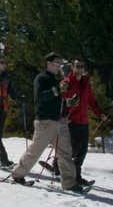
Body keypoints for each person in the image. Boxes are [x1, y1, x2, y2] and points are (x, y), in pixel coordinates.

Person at [11, 53, 83, 192]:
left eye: (60, 63)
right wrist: (57, 90)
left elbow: (56, 100)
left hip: (58, 120)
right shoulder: (41, 78)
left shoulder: (56, 80)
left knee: (65, 152)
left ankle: (69, 183)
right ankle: (18, 174)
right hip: (45, 121)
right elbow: (40, 98)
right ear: (48, 63)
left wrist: (69, 102)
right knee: (36, 150)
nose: (59, 66)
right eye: (57, 63)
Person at [57, 59, 107, 186]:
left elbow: (91, 100)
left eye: (82, 66)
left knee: (82, 151)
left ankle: (76, 175)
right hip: (70, 120)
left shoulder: (85, 82)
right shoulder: (67, 82)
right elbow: (60, 100)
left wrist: (100, 113)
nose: (80, 69)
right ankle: (62, 169)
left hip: (83, 121)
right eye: (77, 66)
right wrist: (62, 116)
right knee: (73, 150)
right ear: (72, 67)